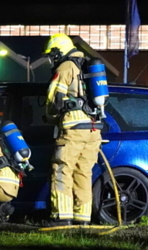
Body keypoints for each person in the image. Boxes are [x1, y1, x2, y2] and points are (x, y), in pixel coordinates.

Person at [42, 33, 103, 227]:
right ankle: (83, 219)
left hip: (73, 129)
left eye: (52, 54)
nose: (51, 59)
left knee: (62, 170)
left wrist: (51, 118)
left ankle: (61, 216)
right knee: (83, 173)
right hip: (93, 130)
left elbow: (54, 100)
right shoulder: (86, 64)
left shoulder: (66, 67)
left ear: (58, 51)